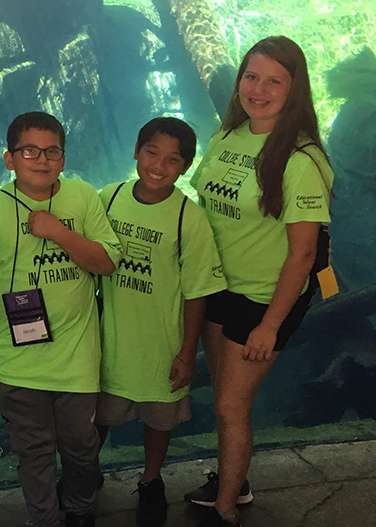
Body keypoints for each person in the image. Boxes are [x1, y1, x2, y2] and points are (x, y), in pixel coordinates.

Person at [182, 36, 334, 527]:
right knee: (227, 399)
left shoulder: (301, 160)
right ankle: (234, 483)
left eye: (274, 81)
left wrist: (271, 325)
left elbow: (304, 253)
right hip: (219, 287)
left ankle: (224, 510)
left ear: (295, 89)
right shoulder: (230, 134)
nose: (258, 89)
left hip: (265, 298)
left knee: (229, 407)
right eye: (251, 76)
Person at [0, 111, 122, 527]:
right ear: (10, 159)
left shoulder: (82, 197)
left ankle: (82, 509)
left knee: (81, 445)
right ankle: (44, 519)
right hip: (14, 363)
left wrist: (58, 232)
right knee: (33, 450)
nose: (41, 160)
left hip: (76, 357)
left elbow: (105, 264)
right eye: (29, 151)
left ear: (63, 160)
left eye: (52, 152)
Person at [95, 117, 227, 526]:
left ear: (185, 167)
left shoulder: (189, 218)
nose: (158, 165)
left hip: (161, 343)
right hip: (109, 341)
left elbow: (197, 291)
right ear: (136, 152)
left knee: (159, 420)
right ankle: (85, 476)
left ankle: (151, 481)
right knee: (96, 417)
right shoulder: (109, 199)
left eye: (173, 160)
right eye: (152, 152)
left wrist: (188, 353)